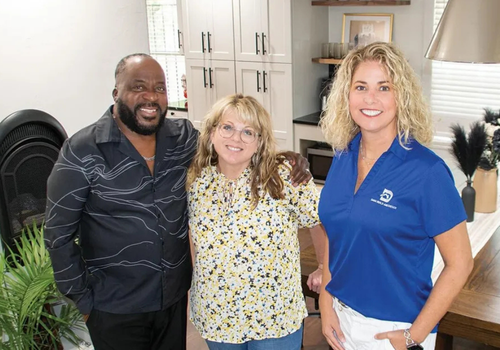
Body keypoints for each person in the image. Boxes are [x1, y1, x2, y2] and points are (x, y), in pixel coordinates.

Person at [44, 54, 310, 350]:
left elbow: (233, 145)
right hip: (114, 306)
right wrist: (82, 299)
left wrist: (283, 157)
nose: (151, 96)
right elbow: (58, 233)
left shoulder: (182, 139)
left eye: (160, 88)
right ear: (116, 93)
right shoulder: (82, 150)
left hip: (171, 301)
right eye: (138, 86)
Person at [318, 42, 474, 350]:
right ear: (346, 95)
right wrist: (325, 300)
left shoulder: (427, 171)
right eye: (361, 86)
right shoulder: (342, 156)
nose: (370, 98)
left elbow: (461, 264)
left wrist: (412, 336)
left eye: (384, 87)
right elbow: (336, 238)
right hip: (340, 318)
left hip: (394, 331)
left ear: (401, 96)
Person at [187, 94, 326, 350]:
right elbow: (191, 239)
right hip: (217, 314)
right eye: (227, 127)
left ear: (259, 141)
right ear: (211, 133)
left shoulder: (283, 177)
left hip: (275, 316)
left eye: (248, 132)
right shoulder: (195, 182)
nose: (236, 138)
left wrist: (321, 267)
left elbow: (318, 221)